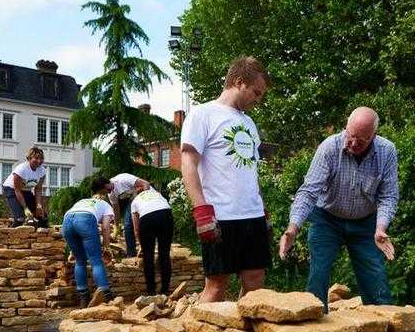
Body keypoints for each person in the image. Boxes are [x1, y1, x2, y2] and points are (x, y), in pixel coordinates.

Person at [279, 107, 398, 310]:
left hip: (366, 222)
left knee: (376, 279)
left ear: (373, 136)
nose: (352, 143)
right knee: (319, 274)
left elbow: (388, 195)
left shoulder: (386, 151)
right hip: (326, 219)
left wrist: (381, 228)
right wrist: (293, 228)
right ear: (346, 127)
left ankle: (383, 328)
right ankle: (313, 327)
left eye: (361, 141)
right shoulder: (329, 148)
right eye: (350, 136)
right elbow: (309, 192)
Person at [180, 56, 272, 303]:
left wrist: (260, 206)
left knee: (255, 283)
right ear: (239, 82)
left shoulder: (249, 123)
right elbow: (188, 162)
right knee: (216, 287)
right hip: (220, 216)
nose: (258, 99)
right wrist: (201, 210)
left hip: (251, 216)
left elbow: (249, 169)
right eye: (256, 92)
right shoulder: (203, 114)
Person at [62, 176, 115, 308]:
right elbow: (105, 227)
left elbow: (73, 219)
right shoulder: (106, 205)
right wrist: (107, 247)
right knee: (96, 260)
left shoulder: (82, 201)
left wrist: (71, 250)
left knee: (80, 260)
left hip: (67, 221)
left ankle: (83, 298)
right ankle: (105, 295)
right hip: (85, 219)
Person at [130, 187, 174, 296]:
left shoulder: (135, 200)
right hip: (166, 215)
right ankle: (165, 289)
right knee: (164, 253)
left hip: (147, 219)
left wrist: (141, 244)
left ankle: (151, 290)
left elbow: (136, 227)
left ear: (136, 192)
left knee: (148, 256)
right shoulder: (157, 193)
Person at [2, 147, 48, 227]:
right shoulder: (21, 170)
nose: (39, 161)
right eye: (36, 158)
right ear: (29, 158)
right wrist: (25, 208)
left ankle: (40, 237)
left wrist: (38, 205)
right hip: (12, 190)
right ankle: (10, 236)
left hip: (26, 190)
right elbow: (17, 190)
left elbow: (38, 189)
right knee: (20, 219)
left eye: (41, 158)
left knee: (42, 216)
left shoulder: (42, 171)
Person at [107, 173, 150, 257]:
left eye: (105, 190)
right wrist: (116, 226)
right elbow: (116, 210)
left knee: (137, 225)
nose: (107, 193)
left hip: (145, 195)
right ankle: (131, 254)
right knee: (127, 226)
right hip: (133, 200)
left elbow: (146, 184)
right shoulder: (111, 193)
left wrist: (145, 200)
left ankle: (143, 250)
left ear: (107, 184)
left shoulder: (122, 179)